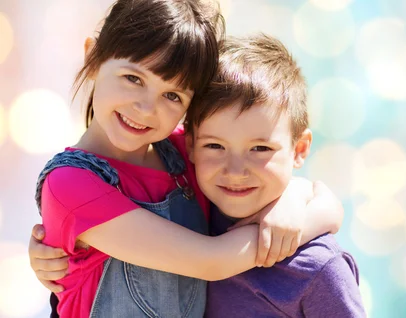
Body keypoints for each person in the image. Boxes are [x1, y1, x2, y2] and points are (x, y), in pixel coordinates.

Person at [27, 0, 343, 317]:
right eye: (133, 78)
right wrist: (295, 229)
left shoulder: (185, 151)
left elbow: (319, 198)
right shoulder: (70, 185)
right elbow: (211, 260)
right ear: (93, 58)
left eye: (173, 95)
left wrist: (292, 198)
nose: (147, 108)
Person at [184, 34, 366, 317]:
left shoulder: (319, 269)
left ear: (299, 149)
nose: (234, 170)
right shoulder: (185, 217)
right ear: (191, 145)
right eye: (215, 146)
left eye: (259, 148)